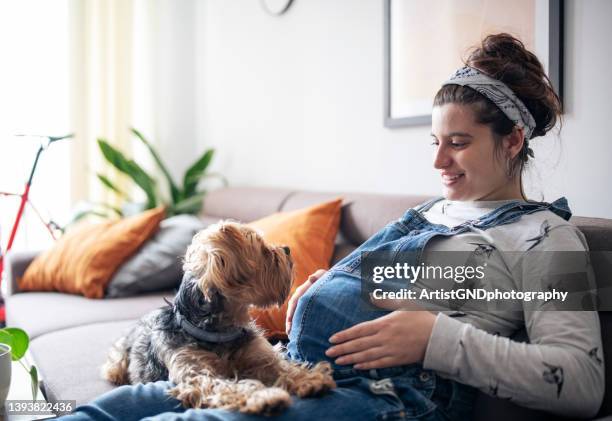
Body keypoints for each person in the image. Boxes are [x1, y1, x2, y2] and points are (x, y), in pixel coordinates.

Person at [58, 33, 604, 421]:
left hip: (386, 398)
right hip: (292, 370)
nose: (439, 163)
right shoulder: (428, 215)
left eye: (458, 144)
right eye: (434, 142)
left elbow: (581, 382)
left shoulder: (545, 240)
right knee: (112, 408)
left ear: (512, 142)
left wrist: (436, 338)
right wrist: (321, 287)